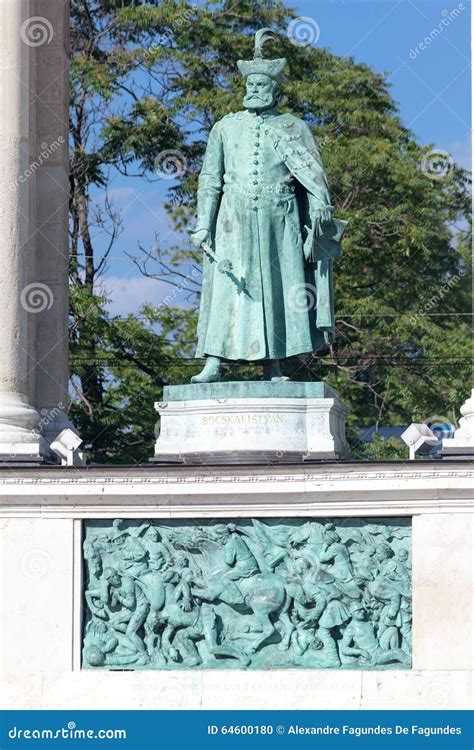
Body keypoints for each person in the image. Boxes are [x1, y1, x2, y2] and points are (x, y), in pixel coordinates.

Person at [189, 28, 345, 383]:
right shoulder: (225, 128)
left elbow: (313, 175)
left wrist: (321, 204)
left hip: (281, 220)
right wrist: (203, 224)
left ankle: (274, 364)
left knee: (279, 288)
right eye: (250, 85)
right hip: (233, 220)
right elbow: (210, 179)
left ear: (275, 90)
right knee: (230, 287)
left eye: (262, 86)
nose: (254, 91)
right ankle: (214, 360)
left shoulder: (294, 127)